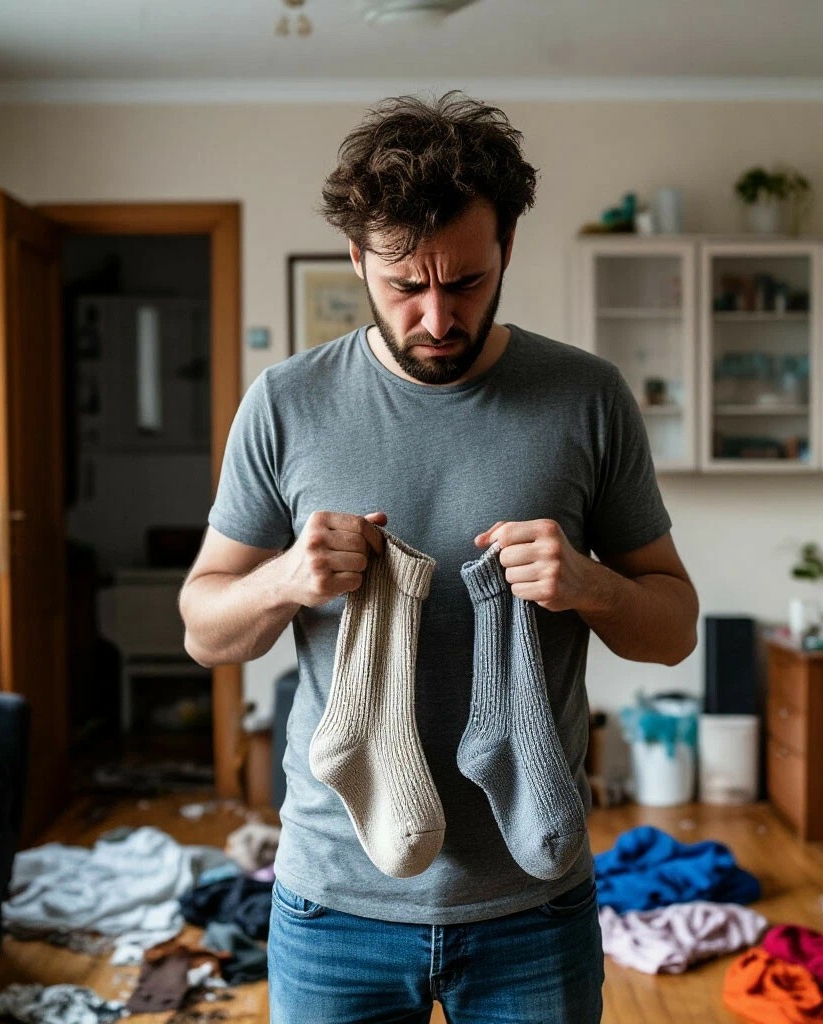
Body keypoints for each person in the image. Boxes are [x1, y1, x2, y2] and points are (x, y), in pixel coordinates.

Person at [179, 91, 699, 1024]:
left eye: (464, 283)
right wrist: (289, 577)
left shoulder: (587, 397)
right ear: (356, 259)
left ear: (507, 249)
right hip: (331, 905)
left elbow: (673, 631)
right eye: (403, 286)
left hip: (534, 902)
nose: (434, 317)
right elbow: (205, 633)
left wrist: (589, 585)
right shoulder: (285, 402)